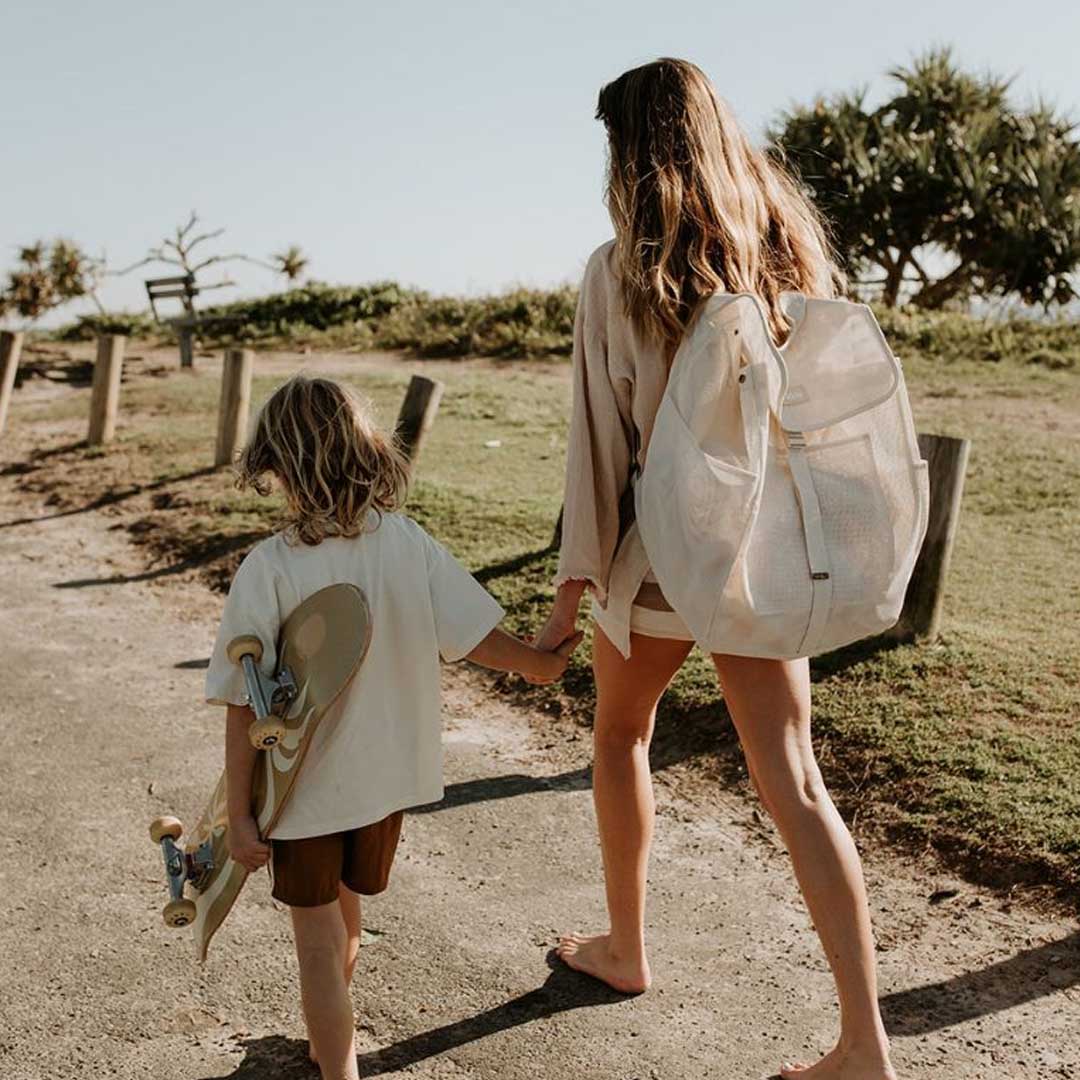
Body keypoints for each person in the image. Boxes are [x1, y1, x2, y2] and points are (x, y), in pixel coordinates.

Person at [532, 59, 897, 1080]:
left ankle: (626, 948)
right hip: (759, 556)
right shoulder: (786, 249)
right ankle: (865, 1044)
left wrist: (568, 598)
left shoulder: (618, 271)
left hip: (658, 557)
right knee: (797, 781)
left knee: (620, 735)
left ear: (629, 150)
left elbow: (598, 448)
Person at [204, 374, 580, 1080]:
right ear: (368, 449)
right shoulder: (406, 542)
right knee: (344, 911)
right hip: (385, 786)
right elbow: (473, 635)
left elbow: (242, 700)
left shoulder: (271, 567)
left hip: (306, 795)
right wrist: (538, 665)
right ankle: (329, 1041)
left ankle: (336, 1062)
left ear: (276, 466)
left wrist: (240, 815)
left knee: (317, 940)